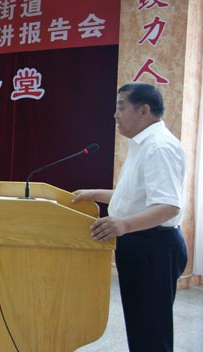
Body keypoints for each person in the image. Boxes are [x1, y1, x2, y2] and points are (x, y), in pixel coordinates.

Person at [72, 83, 187, 352]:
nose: (115, 114)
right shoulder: (143, 144)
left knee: (151, 331)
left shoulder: (158, 147)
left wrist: (123, 224)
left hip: (153, 247)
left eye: (121, 107)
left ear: (144, 111)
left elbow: (168, 206)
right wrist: (93, 194)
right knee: (141, 326)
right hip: (142, 244)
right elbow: (135, 198)